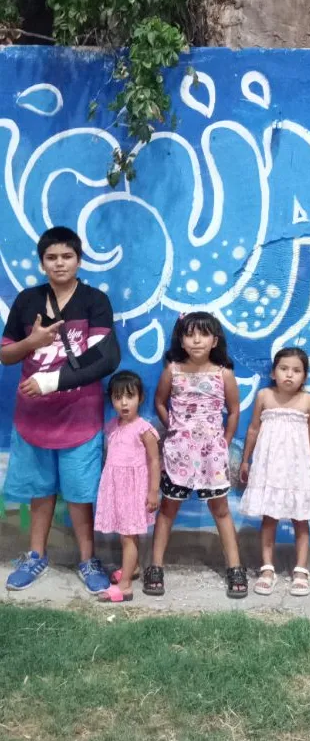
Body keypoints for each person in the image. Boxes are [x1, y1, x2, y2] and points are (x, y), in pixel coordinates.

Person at [1, 226, 120, 593]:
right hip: (33, 417)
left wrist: (51, 382)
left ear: (79, 259)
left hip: (80, 418)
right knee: (41, 490)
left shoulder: (94, 301)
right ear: (42, 262)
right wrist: (32, 342)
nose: (59, 263)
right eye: (51, 257)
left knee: (81, 494)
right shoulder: (27, 300)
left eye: (66, 256)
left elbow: (106, 358)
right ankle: (36, 555)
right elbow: (5, 355)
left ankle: (87, 559)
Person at [143, 311, 248, 599]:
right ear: (182, 339)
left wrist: (224, 440)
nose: (197, 339)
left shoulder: (223, 373)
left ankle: (235, 568)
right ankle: (155, 567)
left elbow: (234, 409)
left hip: (212, 455)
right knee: (168, 510)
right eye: (190, 334)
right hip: (178, 455)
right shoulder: (173, 370)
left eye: (203, 334)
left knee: (221, 510)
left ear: (215, 340)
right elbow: (160, 402)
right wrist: (174, 428)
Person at [240, 347, 310, 596]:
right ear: (273, 372)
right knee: (269, 517)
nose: (289, 375)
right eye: (284, 369)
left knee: (300, 517)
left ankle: (301, 569)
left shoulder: (309, 401)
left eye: (297, 370)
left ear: (305, 377)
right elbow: (253, 429)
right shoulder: (264, 395)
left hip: (297, 468)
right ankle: (267, 568)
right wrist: (245, 460)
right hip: (269, 466)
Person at [94, 370, 160, 603]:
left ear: (140, 398)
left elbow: (154, 461)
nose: (123, 403)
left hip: (133, 490)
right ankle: (131, 568)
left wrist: (153, 492)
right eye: (117, 397)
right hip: (116, 487)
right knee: (125, 535)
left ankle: (125, 587)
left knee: (128, 536)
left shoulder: (145, 430)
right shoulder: (111, 426)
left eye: (129, 396)